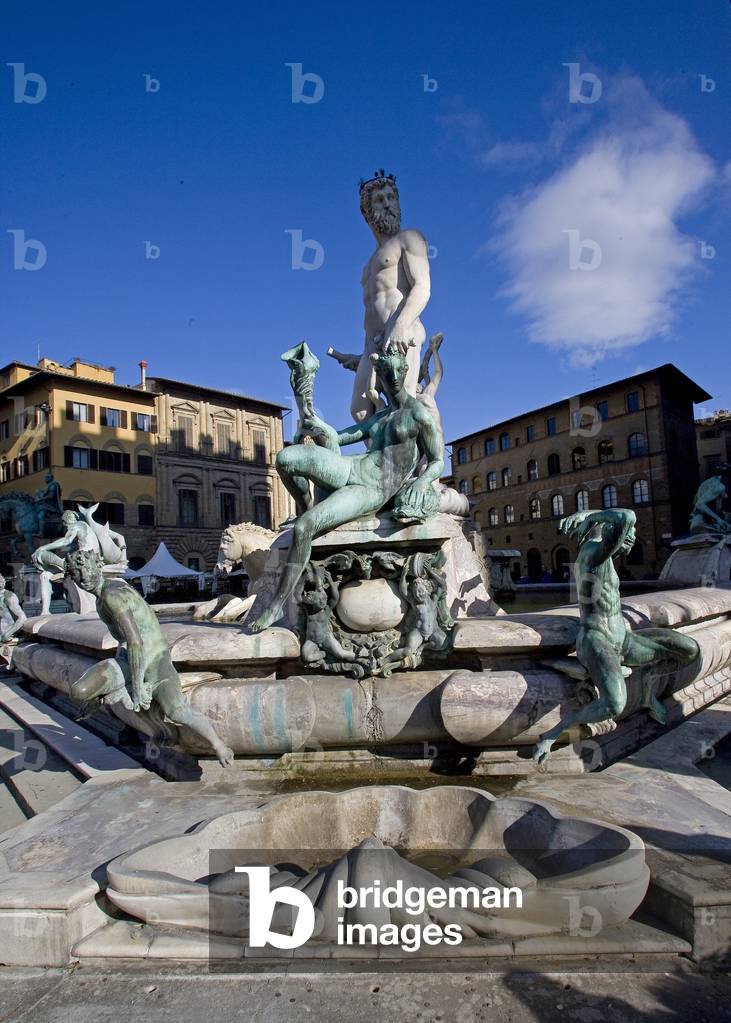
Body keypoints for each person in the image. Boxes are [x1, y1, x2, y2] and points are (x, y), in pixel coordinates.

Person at [250, 348, 443, 632]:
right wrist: (313, 421)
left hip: (372, 488)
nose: (390, 379)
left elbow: (438, 460)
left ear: (404, 372)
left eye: (395, 372)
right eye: (385, 373)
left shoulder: (419, 415)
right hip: (351, 468)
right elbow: (339, 438)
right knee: (286, 459)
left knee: (304, 529)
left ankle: (277, 603)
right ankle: (305, 507)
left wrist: (422, 481)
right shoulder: (382, 416)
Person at [532, 508, 698, 767]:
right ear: (608, 530)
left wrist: (592, 515)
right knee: (614, 705)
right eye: (628, 534)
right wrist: (591, 515)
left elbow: (625, 520)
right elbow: (626, 516)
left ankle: (646, 687)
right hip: (597, 642)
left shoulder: (605, 556)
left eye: (632, 534)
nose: (631, 537)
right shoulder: (593, 553)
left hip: (623, 638)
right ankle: (552, 733)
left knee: (689, 649)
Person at [64, 548, 233, 767]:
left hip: (156, 662)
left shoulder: (112, 596)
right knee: (79, 691)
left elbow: (136, 642)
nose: (84, 577)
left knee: (176, 710)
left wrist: (137, 688)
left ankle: (219, 744)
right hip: (129, 660)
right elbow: (126, 643)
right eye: (77, 574)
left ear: (97, 566)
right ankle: (108, 697)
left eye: (85, 569)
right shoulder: (106, 595)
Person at [346, 172, 431, 422]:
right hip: (372, 343)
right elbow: (372, 311)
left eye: (391, 197)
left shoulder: (410, 239)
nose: (387, 203)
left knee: (402, 410)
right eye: (380, 199)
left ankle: (416, 460)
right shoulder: (370, 262)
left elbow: (422, 287)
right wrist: (360, 356)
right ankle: (383, 461)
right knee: (360, 411)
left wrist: (400, 326)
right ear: (366, 212)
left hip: (402, 333)